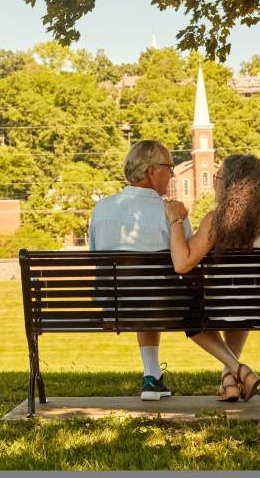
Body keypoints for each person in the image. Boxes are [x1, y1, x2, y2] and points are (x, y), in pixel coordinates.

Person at [164, 153, 260, 402]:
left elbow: (181, 263)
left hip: (226, 307)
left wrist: (177, 219)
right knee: (242, 300)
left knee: (188, 313)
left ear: (229, 184)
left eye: (217, 178)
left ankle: (239, 369)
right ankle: (229, 380)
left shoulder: (215, 221)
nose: (213, 183)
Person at [89, 139, 192, 401]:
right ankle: (233, 370)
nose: (172, 173)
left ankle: (152, 376)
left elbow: (94, 255)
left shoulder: (101, 208)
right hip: (163, 305)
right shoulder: (168, 212)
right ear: (151, 172)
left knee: (142, 292)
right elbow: (187, 257)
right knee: (151, 293)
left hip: (111, 305)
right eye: (169, 167)